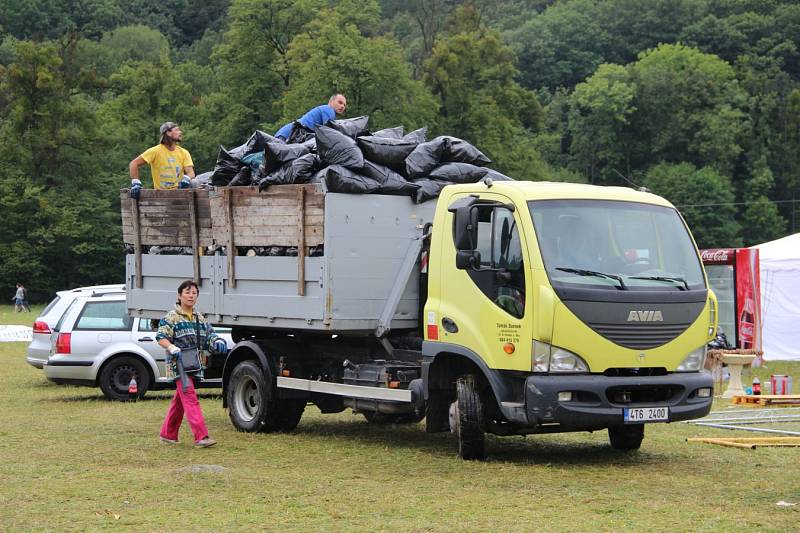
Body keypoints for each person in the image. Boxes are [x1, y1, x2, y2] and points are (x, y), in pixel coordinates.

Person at [156, 280, 227, 448]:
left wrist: (217, 341)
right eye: (187, 292)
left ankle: (167, 434)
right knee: (190, 397)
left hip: (194, 364)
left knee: (180, 401)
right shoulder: (171, 317)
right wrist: (172, 347)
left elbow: (210, 335)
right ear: (179, 295)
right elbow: (161, 337)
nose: (191, 296)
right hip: (178, 365)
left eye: (194, 293)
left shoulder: (199, 317)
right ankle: (201, 436)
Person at [128, 122, 196, 198]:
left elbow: (191, 173)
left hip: (179, 195)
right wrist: (135, 182)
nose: (180, 132)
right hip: (161, 196)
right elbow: (134, 163)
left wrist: (186, 178)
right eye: (177, 130)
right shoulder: (155, 151)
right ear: (168, 133)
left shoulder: (184, 152)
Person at [275, 94, 347, 143]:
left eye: (344, 105)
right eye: (340, 102)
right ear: (331, 101)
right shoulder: (328, 109)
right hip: (286, 136)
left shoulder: (324, 109)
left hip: (285, 134)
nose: (342, 106)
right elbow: (329, 132)